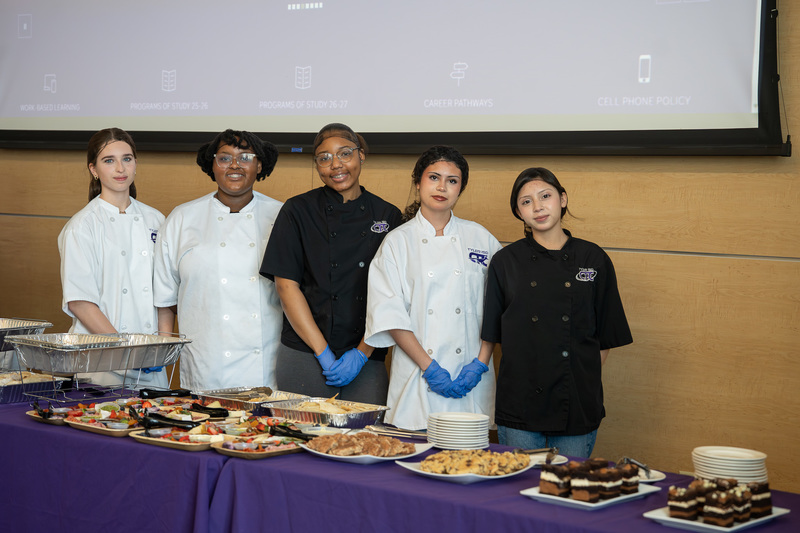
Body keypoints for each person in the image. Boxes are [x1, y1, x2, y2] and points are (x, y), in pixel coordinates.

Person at [481, 167, 633, 457]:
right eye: (526, 202)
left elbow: (605, 338)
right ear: (518, 212)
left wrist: (578, 378)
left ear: (562, 199)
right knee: (517, 493)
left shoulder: (593, 258)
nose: (537, 207)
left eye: (545, 196)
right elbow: (493, 334)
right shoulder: (505, 262)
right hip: (521, 403)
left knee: (567, 491)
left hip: (575, 403)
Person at [260, 123, 402, 404]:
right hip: (304, 353)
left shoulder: (388, 214)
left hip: (366, 357)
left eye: (345, 154)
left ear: (361, 156)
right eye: (324, 158)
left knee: (364, 442)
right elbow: (287, 288)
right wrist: (322, 352)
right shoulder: (297, 210)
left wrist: (363, 352)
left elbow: (393, 295)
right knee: (302, 438)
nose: (335, 165)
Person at [364, 146, 501, 430]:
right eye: (434, 177)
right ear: (418, 182)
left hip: (472, 378)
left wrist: (480, 365)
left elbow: (497, 308)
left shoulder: (481, 238)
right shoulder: (397, 242)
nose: (442, 187)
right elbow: (390, 314)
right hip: (418, 376)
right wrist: (430, 368)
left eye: (452, 180)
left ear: (461, 188)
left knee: (470, 464)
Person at [153, 129, 283, 391]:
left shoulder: (282, 215)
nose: (235, 165)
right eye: (224, 158)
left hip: (267, 360)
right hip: (206, 359)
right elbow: (166, 297)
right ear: (212, 165)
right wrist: (162, 355)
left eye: (245, 157)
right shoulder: (182, 218)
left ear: (259, 165)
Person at [57, 127, 168, 389]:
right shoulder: (82, 226)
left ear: (136, 164)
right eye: (109, 160)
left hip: (150, 361)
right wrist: (125, 350)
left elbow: (165, 292)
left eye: (127, 159)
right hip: (100, 362)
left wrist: (162, 346)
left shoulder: (156, 220)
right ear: (93, 169)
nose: (120, 168)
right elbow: (80, 303)